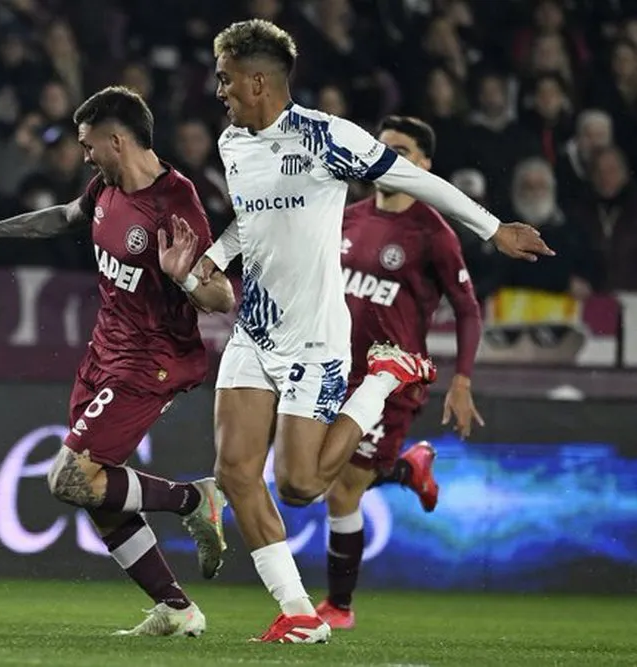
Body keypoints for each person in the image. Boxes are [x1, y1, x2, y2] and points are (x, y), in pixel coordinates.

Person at [189, 19, 553, 644]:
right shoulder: (232, 144)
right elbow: (251, 220)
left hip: (314, 340)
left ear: (257, 81)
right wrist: (216, 258)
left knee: (302, 486)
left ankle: (382, 379)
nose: (217, 90)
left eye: (225, 79)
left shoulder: (327, 137)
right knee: (235, 473)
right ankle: (300, 614)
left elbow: (414, 179)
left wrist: (493, 229)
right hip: (254, 331)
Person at [0, 86, 235, 637]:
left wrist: (183, 274)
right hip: (104, 352)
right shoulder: (106, 186)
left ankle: (193, 497)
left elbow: (221, 298)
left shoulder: (175, 205)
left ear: (118, 140)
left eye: (90, 145)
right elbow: (67, 215)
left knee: (69, 477)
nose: (84, 154)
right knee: (95, 487)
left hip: (151, 360)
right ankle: (177, 609)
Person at [314, 116, 485, 630]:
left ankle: (339, 608)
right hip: (331, 372)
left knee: (341, 489)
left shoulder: (433, 233)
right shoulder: (347, 216)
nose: (391, 159)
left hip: (389, 383)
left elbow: (468, 309)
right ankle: (408, 469)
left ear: (425, 166)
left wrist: (461, 380)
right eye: (383, 148)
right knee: (320, 475)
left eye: (404, 152)